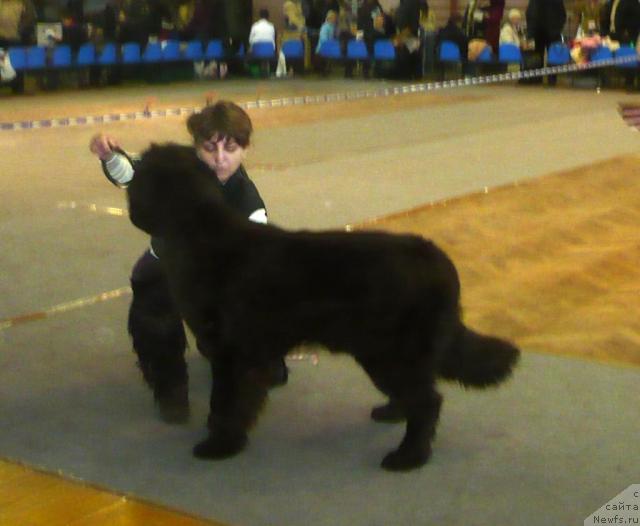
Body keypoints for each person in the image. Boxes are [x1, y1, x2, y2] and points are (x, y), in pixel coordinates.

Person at [88, 100, 288, 423]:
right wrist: (110, 156)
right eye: (210, 148)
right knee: (151, 311)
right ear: (197, 147)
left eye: (230, 148)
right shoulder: (174, 167)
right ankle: (169, 388)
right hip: (168, 263)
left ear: (245, 150)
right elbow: (130, 176)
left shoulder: (249, 203)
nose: (220, 158)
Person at [525, 0, 566, 85]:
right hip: (551, 32)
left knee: (538, 55)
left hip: (538, 32)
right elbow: (562, 14)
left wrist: (530, 32)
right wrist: (558, 28)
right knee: (552, 56)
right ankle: (551, 79)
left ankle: (537, 78)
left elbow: (530, 14)